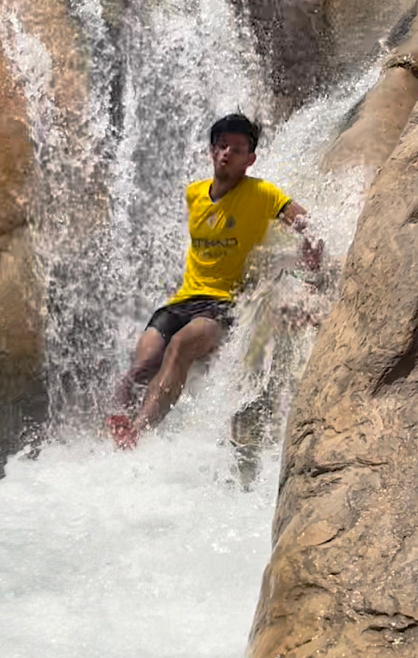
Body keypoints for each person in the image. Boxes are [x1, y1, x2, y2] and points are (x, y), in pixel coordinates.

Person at [106, 113, 322, 449]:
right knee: (143, 364)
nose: (227, 153)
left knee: (180, 345)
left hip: (222, 306)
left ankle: (138, 432)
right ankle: (112, 428)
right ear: (211, 150)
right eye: (222, 146)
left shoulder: (261, 193)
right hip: (181, 302)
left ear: (249, 159)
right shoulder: (194, 194)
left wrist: (311, 246)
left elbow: (302, 218)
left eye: (237, 149)